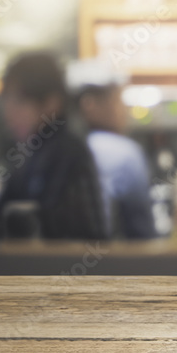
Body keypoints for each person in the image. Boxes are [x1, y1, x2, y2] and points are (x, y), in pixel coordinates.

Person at [0, 52, 107, 243]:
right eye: (6, 101)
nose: (8, 113)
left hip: (67, 271)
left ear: (51, 103)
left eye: (18, 101)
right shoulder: (34, 151)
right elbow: (5, 210)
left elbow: (43, 225)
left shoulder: (66, 151)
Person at [74, 69, 157, 240]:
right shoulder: (124, 153)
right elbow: (142, 232)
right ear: (89, 105)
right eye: (117, 100)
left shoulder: (60, 149)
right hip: (115, 263)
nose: (124, 112)